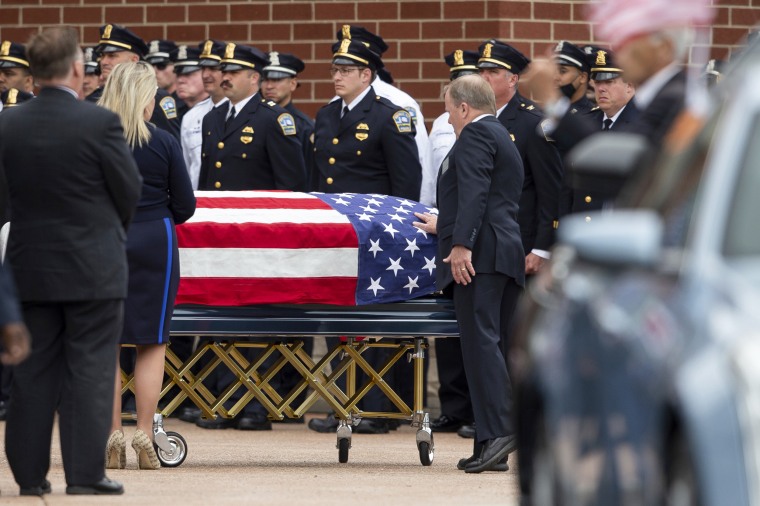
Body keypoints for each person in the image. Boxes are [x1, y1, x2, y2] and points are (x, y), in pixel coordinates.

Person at [0, 26, 141, 495]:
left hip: (29, 266)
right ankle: (84, 475)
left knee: (32, 372)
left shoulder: (8, 123)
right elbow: (128, 192)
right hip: (93, 267)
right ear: (76, 68)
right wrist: (105, 234)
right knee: (91, 371)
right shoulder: (98, 123)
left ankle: (28, 476)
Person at [307, 37, 422, 435]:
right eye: (334, 70)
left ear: (366, 75)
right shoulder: (325, 116)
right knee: (340, 318)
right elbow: (318, 179)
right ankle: (345, 403)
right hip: (337, 234)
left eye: (345, 71)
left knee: (373, 319)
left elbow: (407, 184)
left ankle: (376, 406)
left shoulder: (392, 116)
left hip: (376, 237)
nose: (336, 77)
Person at [414, 74, 525, 473]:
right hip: (500, 250)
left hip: (481, 255)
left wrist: (461, 244)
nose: (449, 119)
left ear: (464, 107)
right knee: (488, 344)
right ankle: (488, 443)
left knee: (481, 344)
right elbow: (488, 197)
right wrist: (443, 226)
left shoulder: (477, 135)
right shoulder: (500, 136)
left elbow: (477, 191)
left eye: (449, 111)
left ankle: (499, 431)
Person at [97, 61, 195, 470]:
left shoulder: (94, 139)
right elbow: (185, 206)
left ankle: (110, 435)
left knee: (105, 340)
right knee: (152, 341)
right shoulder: (164, 140)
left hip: (104, 237)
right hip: (155, 237)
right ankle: (143, 431)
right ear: (145, 98)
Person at [426, 48, 479, 436]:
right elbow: (434, 179)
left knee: (477, 331)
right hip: (444, 232)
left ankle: (481, 412)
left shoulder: (488, 128)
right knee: (449, 329)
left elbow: (479, 195)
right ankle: (454, 406)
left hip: (471, 241)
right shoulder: (443, 124)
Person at [477, 39, 563, 279]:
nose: (484, 78)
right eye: (481, 72)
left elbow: (551, 190)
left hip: (519, 245)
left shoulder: (533, 122)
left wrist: (542, 247)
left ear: (513, 79)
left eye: (493, 72)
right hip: (482, 244)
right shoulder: (475, 118)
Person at [335, 25, 434, 206]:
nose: (339, 75)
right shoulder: (336, 102)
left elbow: (417, 162)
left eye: (347, 68)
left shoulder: (399, 103)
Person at [197, 42, 305, 192]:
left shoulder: (272, 118)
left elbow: (291, 183)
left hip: (256, 212)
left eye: (234, 72)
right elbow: (206, 178)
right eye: (224, 71)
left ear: (254, 78)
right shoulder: (211, 118)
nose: (226, 78)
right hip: (218, 212)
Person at [88, 24, 181, 140]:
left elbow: (171, 147)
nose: (104, 62)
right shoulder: (92, 98)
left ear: (134, 60)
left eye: (112, 55)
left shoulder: (154, 97)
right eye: (102, 56)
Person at [179, 39, 227, 190]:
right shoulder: (191, 116)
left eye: (213, 68)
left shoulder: (239, 112)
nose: (206, 75)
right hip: (199, 205)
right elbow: (187, 168)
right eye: (203, 69)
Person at [261, 51, 314, 181]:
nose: (269, 86)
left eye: (277, 79)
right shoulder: (251, 119)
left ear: (293, 84)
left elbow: (308, 175)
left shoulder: (304, 126)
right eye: (265, 80)